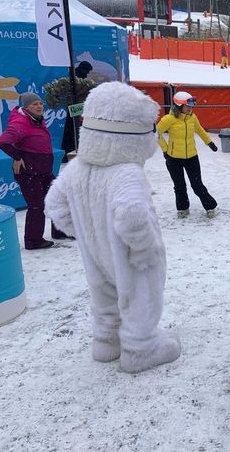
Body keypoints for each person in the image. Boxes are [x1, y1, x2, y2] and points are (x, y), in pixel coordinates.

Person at [45, 81, 181, 373]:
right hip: (129, 257)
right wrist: (145, 251)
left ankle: (106, 343)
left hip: (95, 255)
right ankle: (140, 348)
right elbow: (133, 216)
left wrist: (85, 232)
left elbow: (55, 206)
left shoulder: (77, 168)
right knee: (140, 296)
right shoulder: (127, 173)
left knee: (103, 296)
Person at [0, 92, 70, 249]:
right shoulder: (21, 122)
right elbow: (3, 141)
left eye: (40, 103)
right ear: (26, 107)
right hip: (29, 173)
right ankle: (33, 241)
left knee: (58, 198)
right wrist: (16, 157)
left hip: (43, 170)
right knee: (36, 205)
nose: (39, 106)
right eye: (34, 104)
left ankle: (60, 230)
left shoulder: (36, 120)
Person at [157, 91, 218, 218]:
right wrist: (165, 150)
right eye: (188, 106)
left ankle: (210, 206)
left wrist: (209, 142)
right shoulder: (169, 119)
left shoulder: (192, 117)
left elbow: (200, 130)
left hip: (191, 157)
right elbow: (156, 133)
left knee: (197, 185)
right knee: (179, 186)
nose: (190, 108)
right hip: (173, 158)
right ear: (179, 106)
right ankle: (182, 208)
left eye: (191, 106)